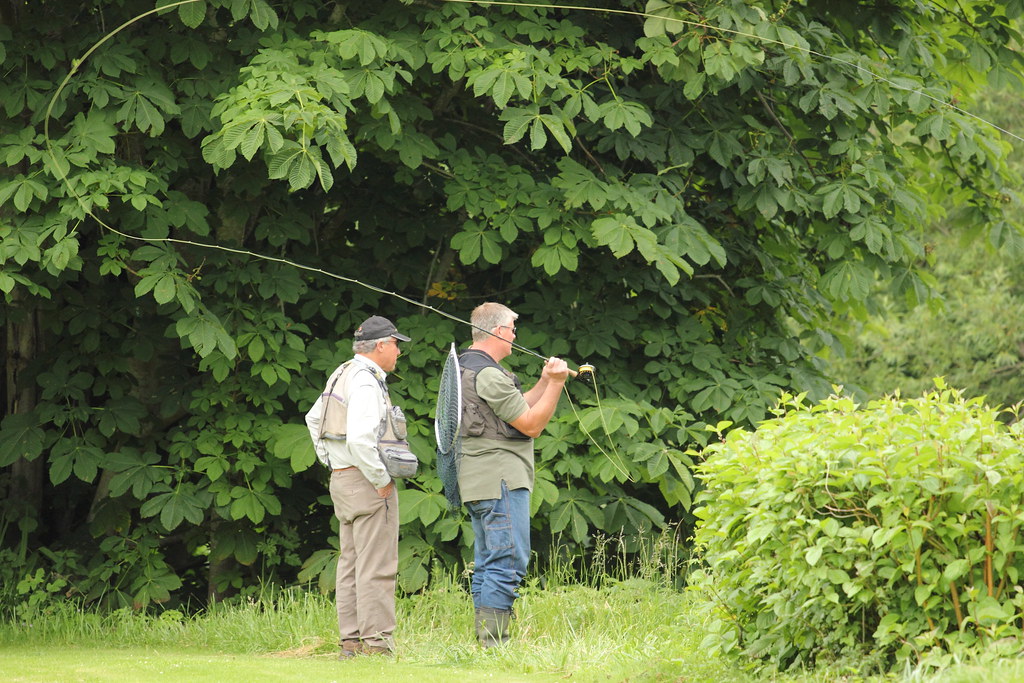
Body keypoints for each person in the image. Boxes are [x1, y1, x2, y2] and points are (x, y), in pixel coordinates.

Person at [457, 302, 569, 647]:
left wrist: (544, 380)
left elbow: (514, 405)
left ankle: (486, 643)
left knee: (489, 561)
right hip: (500, 480)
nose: (515, 337)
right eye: (513, 329)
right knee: (507, 562)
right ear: (500, 332)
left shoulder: (464, 366)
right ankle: (494, 645)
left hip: (478, 480)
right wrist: (558, 385)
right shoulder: (488, 373)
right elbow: (532, 424)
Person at [304, 315, 411, 660]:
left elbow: (313, 418)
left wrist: (331, 461)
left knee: (350, 563)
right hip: (366, 481)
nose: (398, 352)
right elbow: (363, 440)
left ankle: (350, 644)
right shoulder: (366, 382)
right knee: (377, 565)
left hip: (343, 479)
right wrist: (381, 480)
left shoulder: (342, 372)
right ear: (381, 346)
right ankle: (377, 645)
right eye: (396, 345)